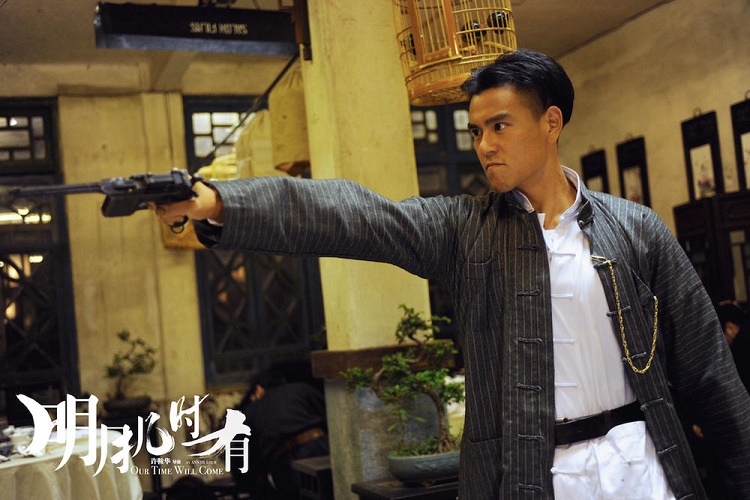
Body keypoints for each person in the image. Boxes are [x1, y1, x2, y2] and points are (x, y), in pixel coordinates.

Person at [154, 49, 750, 499]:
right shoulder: (465, 230)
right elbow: (353, 217)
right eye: (476, 131)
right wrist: (220, 204)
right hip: (532, 476)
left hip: (643, 469)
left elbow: (710, 375)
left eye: (500, 126)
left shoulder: (635, 229)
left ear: (551, 123)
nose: (484, 145)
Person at [231, 368, 329, 499]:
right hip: (324, 450)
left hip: (287, 464)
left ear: (258, 390)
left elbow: (240, 458)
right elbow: (330, 417)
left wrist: (245, 484)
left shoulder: (251, 410)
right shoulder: (302, 389)